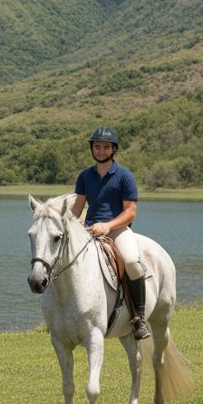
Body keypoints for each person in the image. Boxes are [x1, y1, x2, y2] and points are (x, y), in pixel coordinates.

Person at [69, 127, 151, 340]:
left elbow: (130, 212)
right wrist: (65, 224)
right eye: (97, 146)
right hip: (89, 230)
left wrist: (107, 226)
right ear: (92, 148)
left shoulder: (124, 176)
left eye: (106, 147)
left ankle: (138, 319)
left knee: (131, 261)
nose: (101, 150)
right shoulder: (85, 176)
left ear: (113, 149)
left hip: (117, 230)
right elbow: (77, 208)